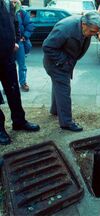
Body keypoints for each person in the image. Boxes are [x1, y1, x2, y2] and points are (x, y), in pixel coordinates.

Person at [43, 11, 100, 132]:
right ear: (84, 24)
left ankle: (55, 110)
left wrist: (98, 34)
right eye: (92, 32)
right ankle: (66, 122)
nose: (93, 34)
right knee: (64, 90)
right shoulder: (65, 28)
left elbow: (88, 34)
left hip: (65, 61)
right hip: (56, 63)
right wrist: (64, 61)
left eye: (95, 32)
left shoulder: (86, 26)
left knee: (58, 87)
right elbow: (47, 46)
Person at [0, 0, 40, 145]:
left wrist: (16, 40)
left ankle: (19, 121)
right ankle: (0, 129)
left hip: (8, 55)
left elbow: (15, 24)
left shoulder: (8, 4)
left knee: (14, 91)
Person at [12, 0, 33, 92]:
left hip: (19, 42)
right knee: (8, 65)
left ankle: (23, 82)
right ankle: (11, 84)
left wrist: (24, 37)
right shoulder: (3, 11)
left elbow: (29, 25)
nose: (13, 2)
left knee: (22, 65)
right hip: (7, 43)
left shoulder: (22, 12)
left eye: (15, 1)